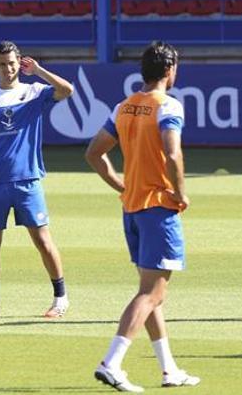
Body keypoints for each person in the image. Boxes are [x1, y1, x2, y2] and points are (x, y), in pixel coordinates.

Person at [85, 41, 199, 392]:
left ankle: (169, 371)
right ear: (170, 71)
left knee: (151, 293)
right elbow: (172, 153)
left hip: (132, 208)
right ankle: (111, 363)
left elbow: (94, 154)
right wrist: (180, 193)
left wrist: (121, 184)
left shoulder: (124, 106)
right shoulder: (168, 106)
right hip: (157, 209)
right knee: (151, 293)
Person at [0, 41, 73, 322]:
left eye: (12, 63)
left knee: (43, 240)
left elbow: (67, 90)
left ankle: (61, 298)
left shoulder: (34, 91)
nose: (8, 68)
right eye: (2, 64)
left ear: (19, 62)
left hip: (27, 182)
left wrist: (39, 71)